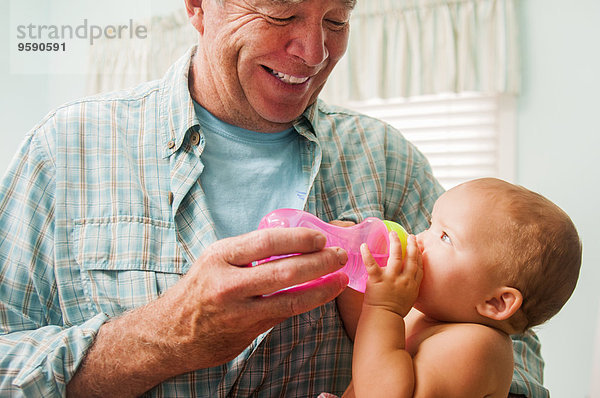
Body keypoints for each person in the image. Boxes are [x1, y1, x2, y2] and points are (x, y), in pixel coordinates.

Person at [0, 0, 545, 396]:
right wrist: (164, 335)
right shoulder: (65, 149)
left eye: (337, 19)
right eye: (281, 13)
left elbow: (510, 339)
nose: (314, 52)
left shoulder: (386, 161)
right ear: (197, 7)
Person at [332, 178, 581, 397]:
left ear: (496, 302)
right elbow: (369, 343)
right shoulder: (430, 313)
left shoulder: (477, 346)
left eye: (445, 237)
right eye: (430, 224)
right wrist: (353, 268)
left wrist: (383, 307)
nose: (417, 239)